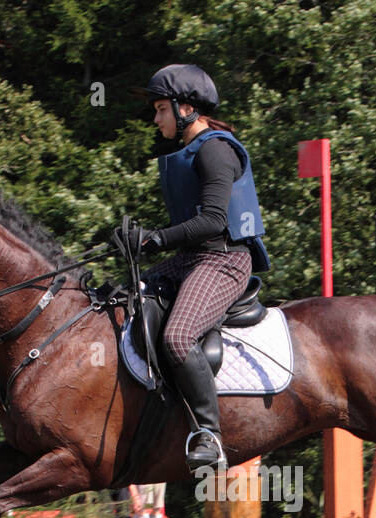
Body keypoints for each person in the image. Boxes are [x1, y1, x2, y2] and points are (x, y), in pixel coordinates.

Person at [112, 64, 270, 472]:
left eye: (161, 109)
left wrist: (155, 239)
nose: (156, 118)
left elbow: (214, 222)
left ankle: (208, 434)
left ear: (186, 108)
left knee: (179, 337)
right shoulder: (186, 151)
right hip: (189, 261)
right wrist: (138, 241)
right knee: (118, 300)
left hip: (224, 261)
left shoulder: (216, 149)